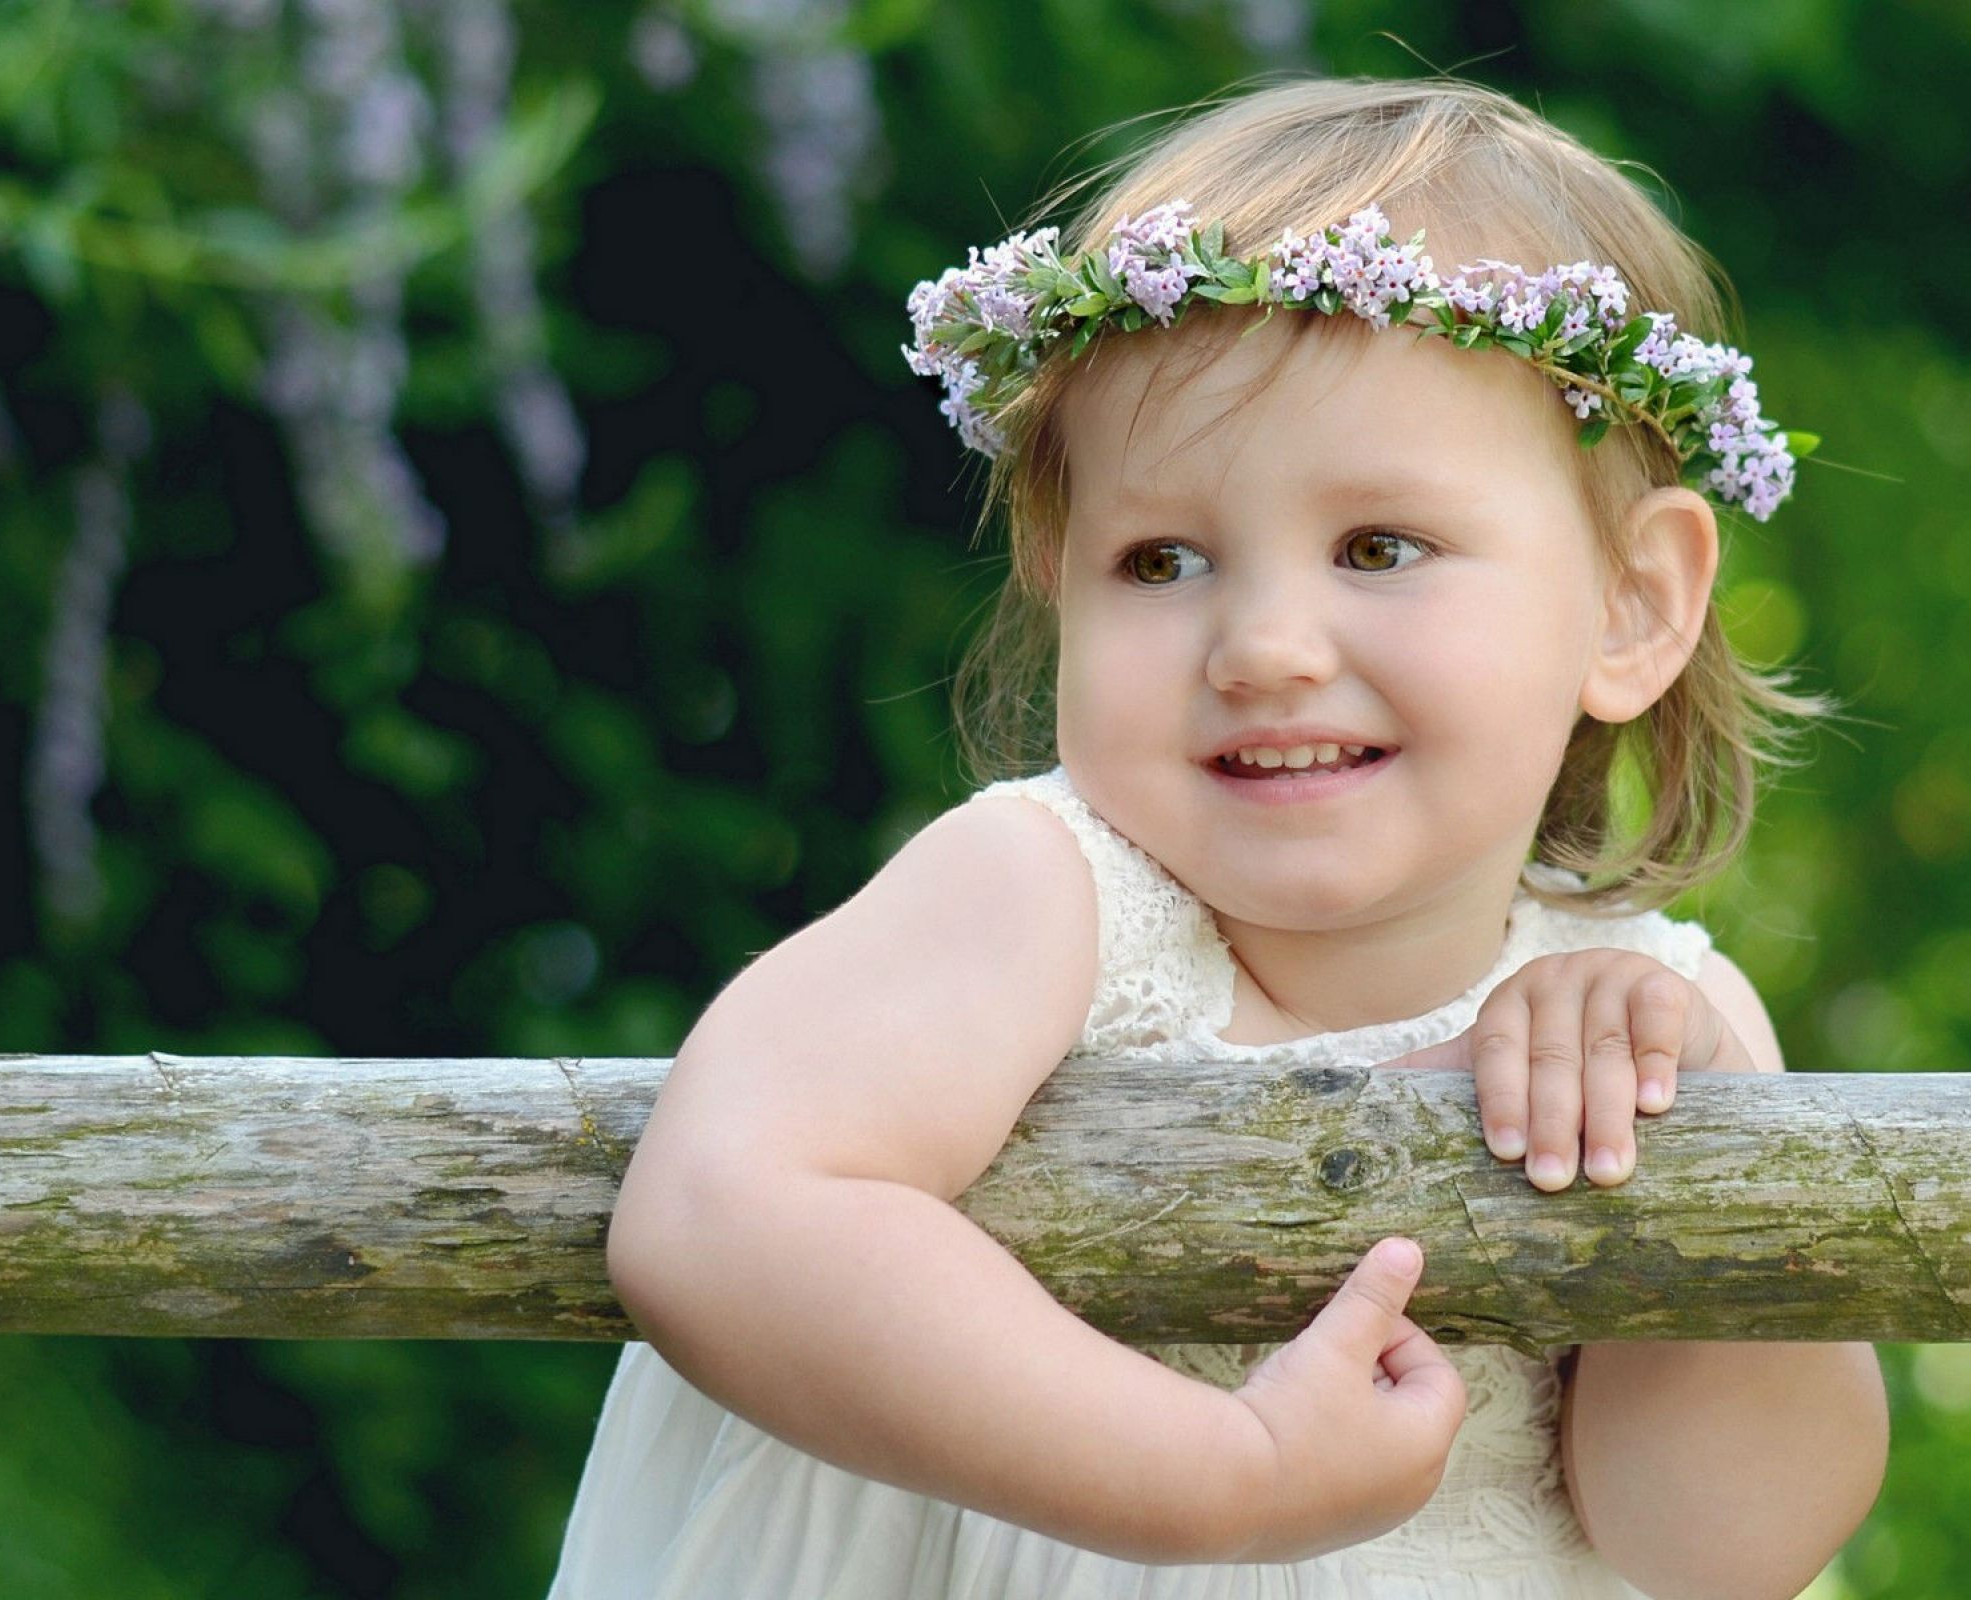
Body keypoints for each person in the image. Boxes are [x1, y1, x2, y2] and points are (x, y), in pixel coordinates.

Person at [548, 73, 1890, 1599]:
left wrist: (1686, 1168)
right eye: (1163, 557)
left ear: (1635, 603)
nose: (1262, 646)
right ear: (1061, 581)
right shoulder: (1042, 900)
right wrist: (1221, 1478)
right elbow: (723, 1207)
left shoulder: (1670, 1015)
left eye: (1381, 547)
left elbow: (1727, 1550)